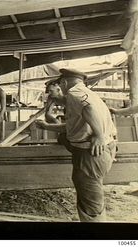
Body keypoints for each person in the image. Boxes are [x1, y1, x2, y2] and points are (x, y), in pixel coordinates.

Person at [36, 68, 117, 222]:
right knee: (91, 195)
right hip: (104, 149)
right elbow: (73, 126)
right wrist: (47, 126)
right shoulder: (89, 93)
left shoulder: (74, 93)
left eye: (59, 86)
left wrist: (99, 136)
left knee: (90, 202)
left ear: (64, 83)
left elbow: (89, 109)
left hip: (90, 154)